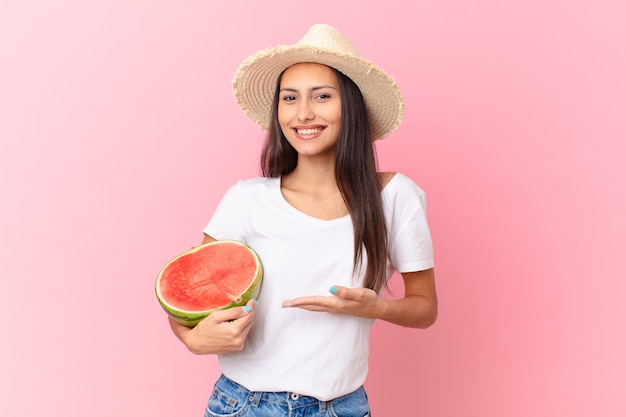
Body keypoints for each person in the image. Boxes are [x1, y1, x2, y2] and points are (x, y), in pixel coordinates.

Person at [168, 23, 437, 417]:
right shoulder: (247, 200)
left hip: (342, 407)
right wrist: (192, 339)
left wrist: (375, 307)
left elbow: (425, 307)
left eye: (322, 96)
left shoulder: (395, 197)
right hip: (244, 405)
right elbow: (187, 300)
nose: (303, 113)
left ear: (351, 106)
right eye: (289, 98)